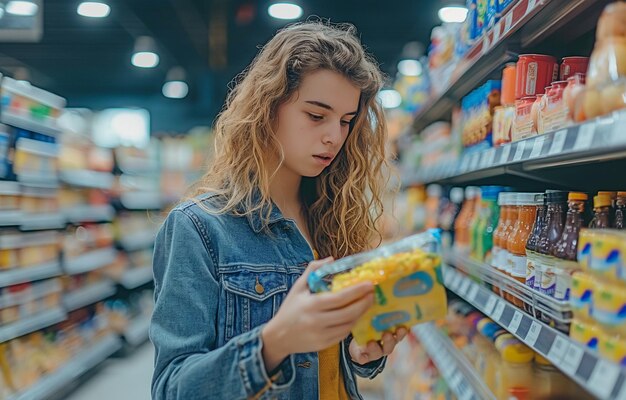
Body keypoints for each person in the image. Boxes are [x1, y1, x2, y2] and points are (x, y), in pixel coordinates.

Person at [150, 21, 408, 400]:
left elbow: (325, 363)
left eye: (346, 121)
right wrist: (275, 341)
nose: (334, 136)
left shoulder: (334, 219)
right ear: (268, 107)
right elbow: (173, 388)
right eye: (317, 115)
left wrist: (359, 353)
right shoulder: (199, 228)